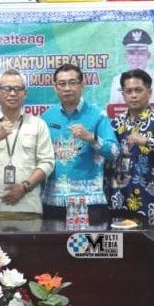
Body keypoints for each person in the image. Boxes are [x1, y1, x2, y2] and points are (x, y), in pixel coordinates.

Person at [0, 69, 55, 218]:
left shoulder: (38, 125)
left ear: (25, 93)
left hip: (29, 209)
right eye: (7, 89)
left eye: (17, 89)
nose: (12, 93)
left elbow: (47, 162)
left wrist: (24, 187)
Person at [41, 64, 118, 223]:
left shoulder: (98, 115)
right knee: (50, 240)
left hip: (89, 202)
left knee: (88, 240)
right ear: (55, 87)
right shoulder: (47, 116)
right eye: (62, 84)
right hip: (53, 201)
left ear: (82, 84)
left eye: (72, 82)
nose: (67, 88)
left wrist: (91, 138)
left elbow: (115, 152)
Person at [106, 69, 154, 225]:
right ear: (123, 94)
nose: (133, 95)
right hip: (117, 199)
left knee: (148, 241)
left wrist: (148, 141)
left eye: (138, 90)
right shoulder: (115, 124)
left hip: (149, 201)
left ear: (149, 92)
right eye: (128, 91)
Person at [108, 29, 154, 106]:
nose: (136, 57)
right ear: (126, 56)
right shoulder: (117, 80)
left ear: (148, 56)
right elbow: (114, 108)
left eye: (141, 53)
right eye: (132, 53)